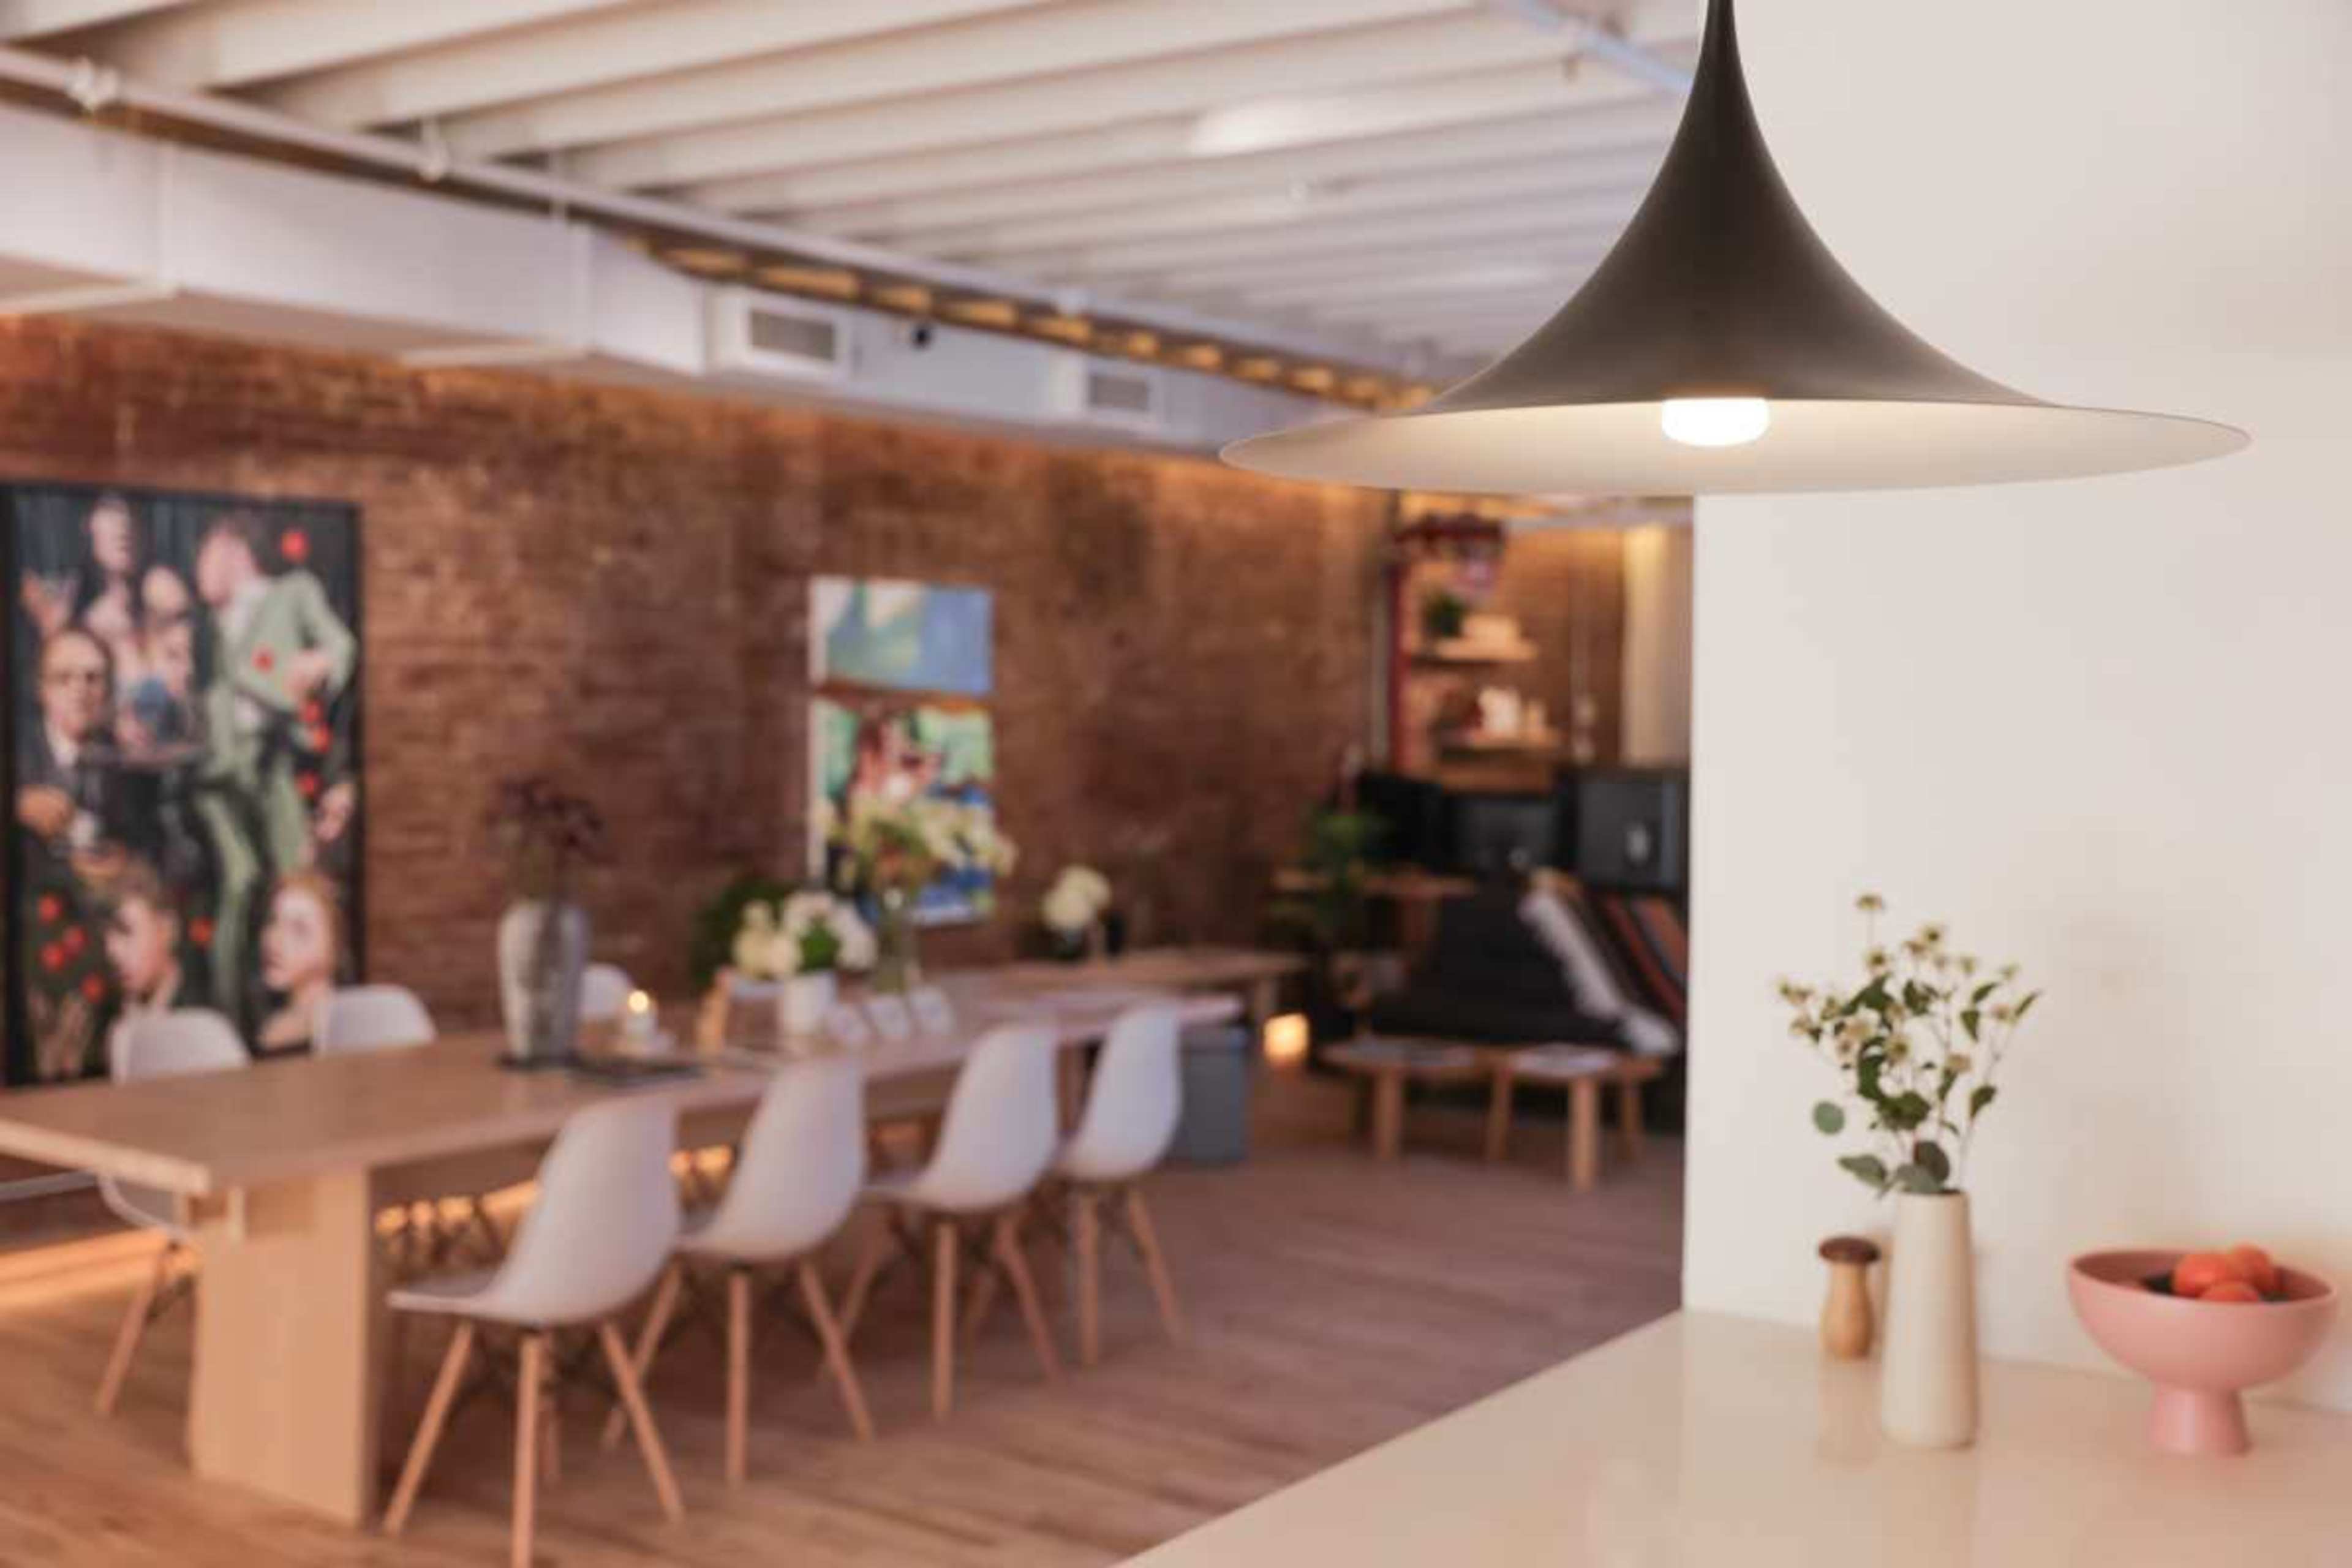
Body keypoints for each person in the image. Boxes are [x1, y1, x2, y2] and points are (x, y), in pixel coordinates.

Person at [191, 511, 354, 1013]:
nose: (198, 570)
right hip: (219, 774)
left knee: (298, 883)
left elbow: (341, 646)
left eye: (205, 554)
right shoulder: (207, 625)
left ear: (233, 547)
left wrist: (320, 662)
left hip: (272, 762)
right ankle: (230, 1015)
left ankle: (312, 1010)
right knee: (240, 881)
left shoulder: (291, 593)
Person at [254, 869, 340, 1055]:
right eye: (273, 921)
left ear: (335, 944)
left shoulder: (344, 1027)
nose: (275, 939)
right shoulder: (274, 1028)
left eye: (299, 929)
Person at [104, 859, 192, 1018]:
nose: (112, 950)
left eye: (126, 931)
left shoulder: (202, 1022)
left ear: (167, 930)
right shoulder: (114, 1016)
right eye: (106, 936)